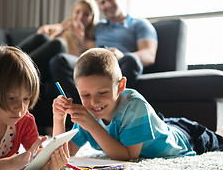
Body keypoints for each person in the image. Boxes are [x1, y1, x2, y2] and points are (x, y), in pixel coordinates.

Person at [52, 48, 223, 160]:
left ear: (121, 86)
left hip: (187, 137)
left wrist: (92, 126)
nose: (93, 102)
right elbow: (65, 154)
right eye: (85, 94)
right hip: (155, 125)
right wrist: (58, 119)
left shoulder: (134, 104)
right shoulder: (87, 113)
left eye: (102, 92)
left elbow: (128, 156)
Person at [49, 0, 158, 111]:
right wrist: (54, 28)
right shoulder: (99, 26)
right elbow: (74, 25)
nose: (107, 4)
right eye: (102, 2)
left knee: (131, 60)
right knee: (59, 60)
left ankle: (119, 113)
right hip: (95, 61)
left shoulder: (139, 24)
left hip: (120, 62)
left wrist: (121, 55)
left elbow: (149, 55)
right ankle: (78, 114)